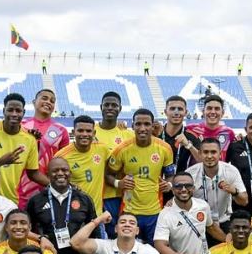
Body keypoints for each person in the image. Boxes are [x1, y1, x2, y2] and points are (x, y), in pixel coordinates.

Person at [107, 108, 175, 244]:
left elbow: (170, 175)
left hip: (155, 211)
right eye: (138, 124)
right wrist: (118, 183)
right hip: (129, 210)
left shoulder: (165, 148)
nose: (142, 128)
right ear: (133, 126)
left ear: (152, 125)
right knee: (129, 249)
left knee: (153, 251)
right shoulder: (122, 149)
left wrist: (169, 185)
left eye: (146, 124)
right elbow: (108, 174)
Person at [0, 93, 49, 205]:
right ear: (4, 111)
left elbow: (33, 173)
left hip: (11, 201)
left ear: (23, 113)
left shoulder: (30, 138)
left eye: (18, 111)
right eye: (10, 110)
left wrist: (55, 185)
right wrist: (1, 162)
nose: (14, 114)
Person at [185, 138, 248, 243]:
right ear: (200, 154)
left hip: (224, 220)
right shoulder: (191, 174)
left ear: (220, 154)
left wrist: (234, 191)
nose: (209, 156)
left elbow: (244, 201)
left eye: (213, 152)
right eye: (205, 152)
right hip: (199, 221)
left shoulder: (231, 171)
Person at [17, 89, 70, 210]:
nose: (48, 102)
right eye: (44, 98)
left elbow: (64, 162)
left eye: (52, 101)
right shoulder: (21, 126)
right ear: (34, 102)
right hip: (20, 187)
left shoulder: (61, 130)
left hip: (48, 188)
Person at [95, 92, 135, 235]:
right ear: (101, 107)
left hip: (121, 196)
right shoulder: (91, 131)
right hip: (97, 195)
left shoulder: (128, 134)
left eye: (114, 105)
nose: (110, 108)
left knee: (120, 234)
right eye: (107, 105)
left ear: (120, 108)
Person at [54, 116, 111, 214]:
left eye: (88, 131)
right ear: (73, 132)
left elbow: (116, 163)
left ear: (94, 133)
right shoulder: (61, 156)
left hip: (96, 214)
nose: (84, 134)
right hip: (72, 215)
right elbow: (51, 181)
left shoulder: (103, 149)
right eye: (80, 130)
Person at [186, 94, 237, 159]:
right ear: (203, 111)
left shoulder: (229, 133)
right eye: (209, 108)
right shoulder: (191, 129)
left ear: (223, 113)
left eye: (217, 109)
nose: (213, 112)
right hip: (195, 169)